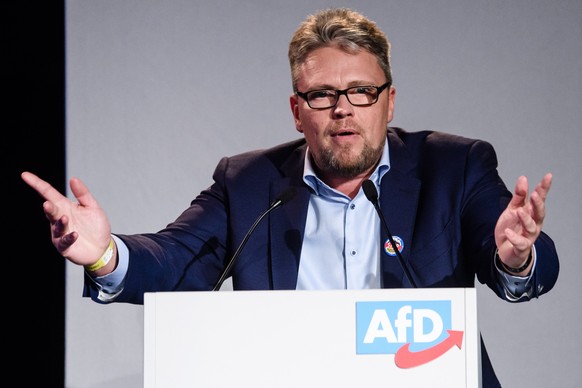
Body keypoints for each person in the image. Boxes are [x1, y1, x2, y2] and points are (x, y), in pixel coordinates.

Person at [22, 7, 558, 387]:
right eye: (322, 94)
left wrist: (516, 258)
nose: (343, 108)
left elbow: (518, 260)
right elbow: (176, 260)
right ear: (297, 110)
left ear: (388, 102)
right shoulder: (249, 182)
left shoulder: (454, 167)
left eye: (361, 92)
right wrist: (105, 254)